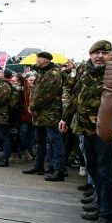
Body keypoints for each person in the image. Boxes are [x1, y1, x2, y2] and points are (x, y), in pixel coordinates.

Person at [61, 40, 112, 223]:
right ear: (91, 54)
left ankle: (109, 215)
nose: (100, 56)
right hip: (86, 129)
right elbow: (76, 96)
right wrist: (65, 118)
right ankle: (101, 207)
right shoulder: (85, 72)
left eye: (104, 53)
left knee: (106, 173)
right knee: (94, 169)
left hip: (106, 130)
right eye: (96, 53)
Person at [24, 52, 66, 180]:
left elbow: (47, 94)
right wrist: (32, 107)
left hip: (50, 114)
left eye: (38, 58)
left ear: (43, 60)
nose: (36, 60)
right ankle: (39, 166)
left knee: (55, 141)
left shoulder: (53, 74)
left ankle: (59, 170)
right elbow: (35, 92)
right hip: (39, 114)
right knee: (40, 141)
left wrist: (33, 107)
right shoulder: (41, 73)